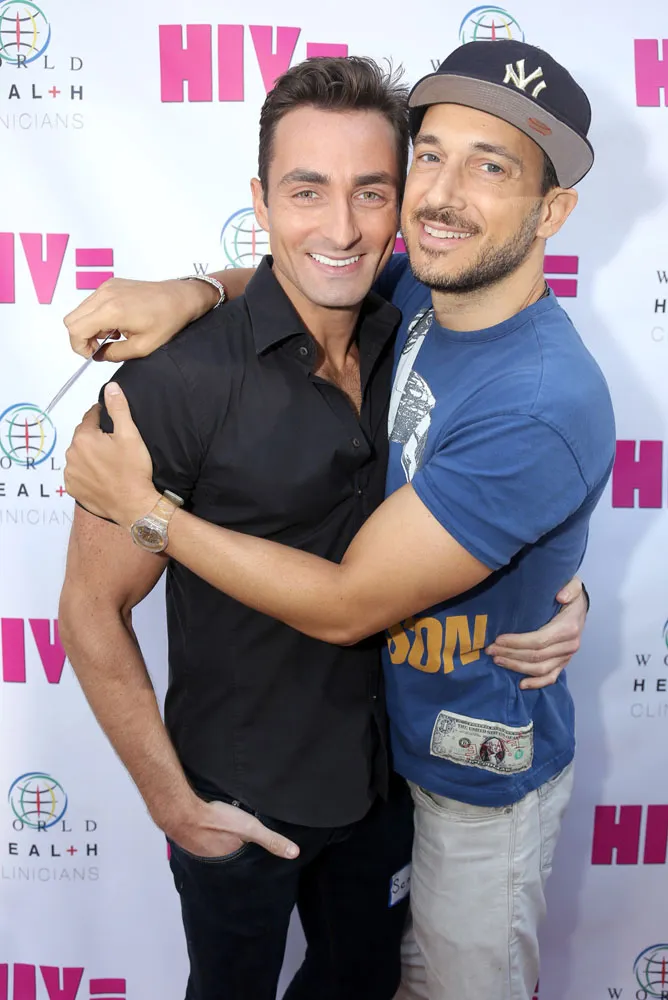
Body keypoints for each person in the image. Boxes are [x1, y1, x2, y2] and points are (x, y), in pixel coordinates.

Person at [60, 45, 600, 1000]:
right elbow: (88, 610)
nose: (344, 225)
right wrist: (175, 806)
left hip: (408, 787)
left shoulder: (460, 348)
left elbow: (362, 596)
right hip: (241, 798)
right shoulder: (194, 373)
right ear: (261, 203)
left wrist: (151, 517)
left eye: (371, 192)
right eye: (306, 191)